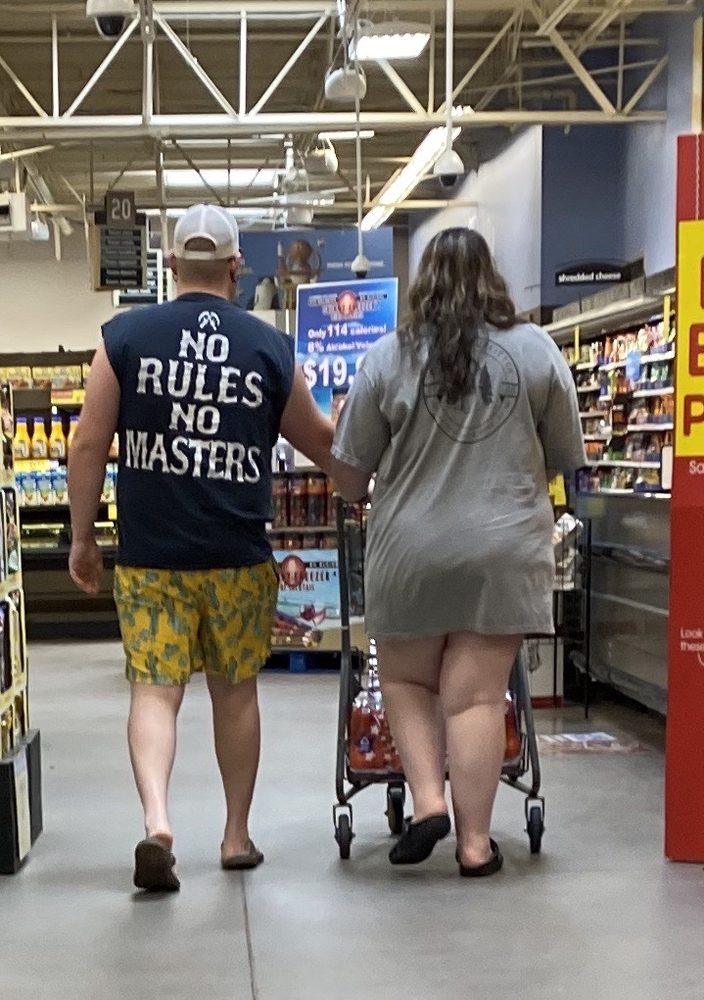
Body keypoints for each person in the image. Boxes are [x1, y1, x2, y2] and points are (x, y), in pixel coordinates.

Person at [68, 203, 333, 892]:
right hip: (237, 555)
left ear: (171, 263)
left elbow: (88, 442)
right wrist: (372, 482)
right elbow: (320, 441)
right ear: (236, 267)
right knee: (235, 693)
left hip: (152, 556)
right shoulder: (269, 347)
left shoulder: (124, 337)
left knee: (155, 692)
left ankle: (158, 822)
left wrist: (83, 538)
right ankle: (236, 835)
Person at [330, 228, 585, 877]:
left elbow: (350, 478)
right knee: (476, 699)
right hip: (502, 550)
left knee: (409, 681)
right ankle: (475, 846)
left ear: (424, 284)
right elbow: (564, 457)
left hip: (409, 550)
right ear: (492, 277)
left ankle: (426, 803)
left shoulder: (387, 357)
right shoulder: (536, 350)